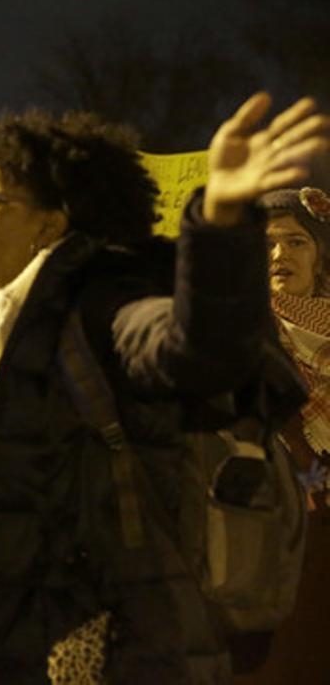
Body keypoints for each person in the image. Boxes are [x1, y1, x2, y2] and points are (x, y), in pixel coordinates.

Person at [0, 94, 325, 682]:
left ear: (51, 221)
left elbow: (197, 351)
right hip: (7, 638)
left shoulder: (106, 306)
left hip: (101, 651)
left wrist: (219, 224)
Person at [230, 187, 330, 682]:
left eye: (296, 242)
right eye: (267, 244)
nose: (279, 255)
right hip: (269, 528)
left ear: (319, 255)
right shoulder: (238, 328)